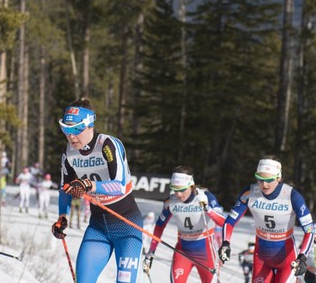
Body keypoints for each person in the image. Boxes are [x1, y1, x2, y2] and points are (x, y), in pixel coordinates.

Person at [50, 98, 143, 283]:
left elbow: (119, 185)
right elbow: (65, 189)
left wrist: (88, 185)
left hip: (127, 225)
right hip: (98, 227)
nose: (70, 136)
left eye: (75, 129)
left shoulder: (107, 144)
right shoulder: (68, 152)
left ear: (90, 125)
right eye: (65, 129)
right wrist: (63, 217)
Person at [218, 156, 314, 283]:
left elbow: (309, 230)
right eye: (260, 179)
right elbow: (230, 222)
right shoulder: (249, 193)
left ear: (278, 177)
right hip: (261, 258)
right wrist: (225, 243)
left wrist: (302, 257)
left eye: (269, 179)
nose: (264, 184)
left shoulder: (292, 196)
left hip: (287, 260)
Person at [144, 165, 225, 283]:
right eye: (175, 190)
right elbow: (159, 226)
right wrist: (151, 251)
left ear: (191, 185)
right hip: (182, 253)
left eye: (182, 189)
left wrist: (208, 209)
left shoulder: (206, 197)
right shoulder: (170, 202)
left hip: (206, 254)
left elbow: (223, 222)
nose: (179, 194)